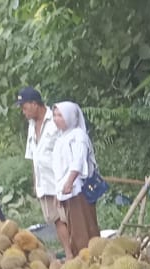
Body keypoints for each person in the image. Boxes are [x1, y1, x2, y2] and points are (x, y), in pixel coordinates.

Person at [50, 101, 101, 258]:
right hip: (67, 192)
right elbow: (59, 169)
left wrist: (69, 182)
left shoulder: (79, 136)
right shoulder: (61, 138)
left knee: (84, 229)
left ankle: (91, 260)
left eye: (60, 115)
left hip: (78, 190)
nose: (56, 119)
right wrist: (58, 192)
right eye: (54, 115)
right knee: (75, 229)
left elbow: (78, 162)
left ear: (70, 117)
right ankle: (84, 260)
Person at [18, 87, 66, 254]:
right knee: (56, 220)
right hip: (44, 181)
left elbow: (66, 150)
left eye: (24, 107)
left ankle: (75, 252)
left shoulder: (55, 120)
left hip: (60, 180)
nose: (23, 112)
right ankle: (69, 254)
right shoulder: (31, 126)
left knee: (68, 219)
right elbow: (33, 157)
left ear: (34, 104)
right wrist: (35, 181)